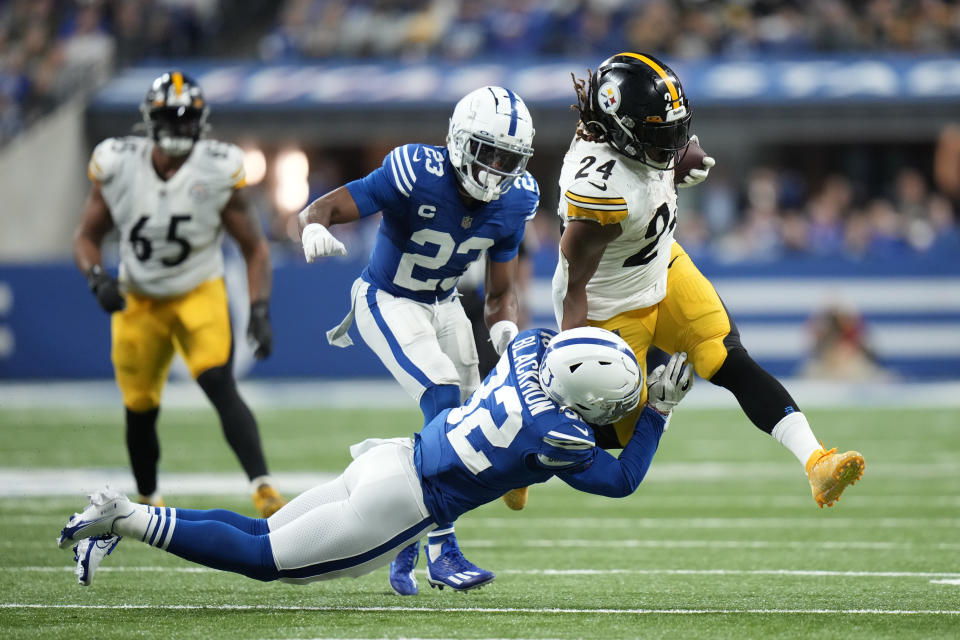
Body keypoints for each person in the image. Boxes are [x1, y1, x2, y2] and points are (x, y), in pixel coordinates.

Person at [59, 327, 693, 589]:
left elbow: (518, 334)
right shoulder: (562, 436)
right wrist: (657, 416)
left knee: (263, 531)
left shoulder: (531, 350)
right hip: (401, 502)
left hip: (391, 457)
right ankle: (124, 518)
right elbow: (621, 481)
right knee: (266, 561)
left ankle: (128, 514)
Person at [552, 52, 864, 508]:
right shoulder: (601, 194)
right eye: (659, 134)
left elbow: (652, 169)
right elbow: (572, 284)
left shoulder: (632, 146)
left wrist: (673, 167)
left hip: (661, 266)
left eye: (673, 130)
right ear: (620, 130)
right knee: (616, 428)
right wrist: (572, 360)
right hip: (609, 306)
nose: (672, 142)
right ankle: (525, 438)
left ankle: (816, 461)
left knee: (725, 355)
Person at [296, 86, 539, 595]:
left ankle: (404, 526)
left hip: (445, 305)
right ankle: (441, 547)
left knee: (471, 430)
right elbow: (327, 207)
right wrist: (313, 227)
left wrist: (505, 329)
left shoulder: (517, 200)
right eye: (486, 151)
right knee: (444, 396)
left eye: (508, 158)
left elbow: (500, 292)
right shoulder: (416, 172)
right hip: (387, 297)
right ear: (457, 141)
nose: (496, 168)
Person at [73, 71, 286, 519]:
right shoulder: (117, 162)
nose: (177, 126)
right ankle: (148, 501)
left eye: (186, 117)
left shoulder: (216, 166)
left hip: (197, 290)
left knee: (217, 381)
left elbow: (255, 247)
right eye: (169, 116)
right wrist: (97, 278)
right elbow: (86, 237)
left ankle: (264, 489)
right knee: (140, 407)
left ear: (202, 122)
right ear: (149, 120)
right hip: (139, 300)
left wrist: (260, 309)